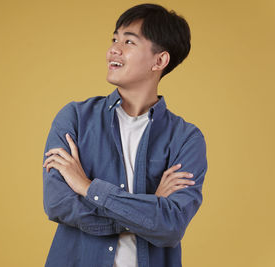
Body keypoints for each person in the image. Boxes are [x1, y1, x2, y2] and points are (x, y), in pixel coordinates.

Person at [42, 3, 208, 267]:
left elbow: (172, 227)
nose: (113, 50)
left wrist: (87, 187)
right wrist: (151, 208)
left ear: (160, 60)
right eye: (114, 39)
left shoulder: (186, 139)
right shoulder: (74, 118)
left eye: (129, 41)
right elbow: (58, 204)